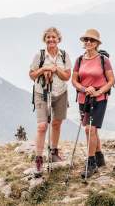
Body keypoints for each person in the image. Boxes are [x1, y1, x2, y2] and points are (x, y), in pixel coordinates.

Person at [72, 29, 115, 178]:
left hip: (99, 98)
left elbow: (111, 80)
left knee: (89, 129)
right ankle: (99, 156)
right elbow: (74, 81)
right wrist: (84, 89)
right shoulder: (79, 60)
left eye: (92, 40)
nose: (88, 42)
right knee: (92, 130)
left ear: (97, 43)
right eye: (86, 40)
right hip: (84, 98)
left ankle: (91, 163)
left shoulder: (103, 60)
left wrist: (99, 91)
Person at [29, 27, 72, 176]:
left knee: (56, 123)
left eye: (54, 37)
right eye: (48, 37)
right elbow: (32, 75)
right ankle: (39, 158)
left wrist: (54, 69)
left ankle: (54, 152)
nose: (51, 40)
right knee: (42, 126)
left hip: (60, 92)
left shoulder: (64, 56)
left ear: (58, 39)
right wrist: (43, 69)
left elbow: (67, 76)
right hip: (42, 92)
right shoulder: (39, 55)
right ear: (45, 39)